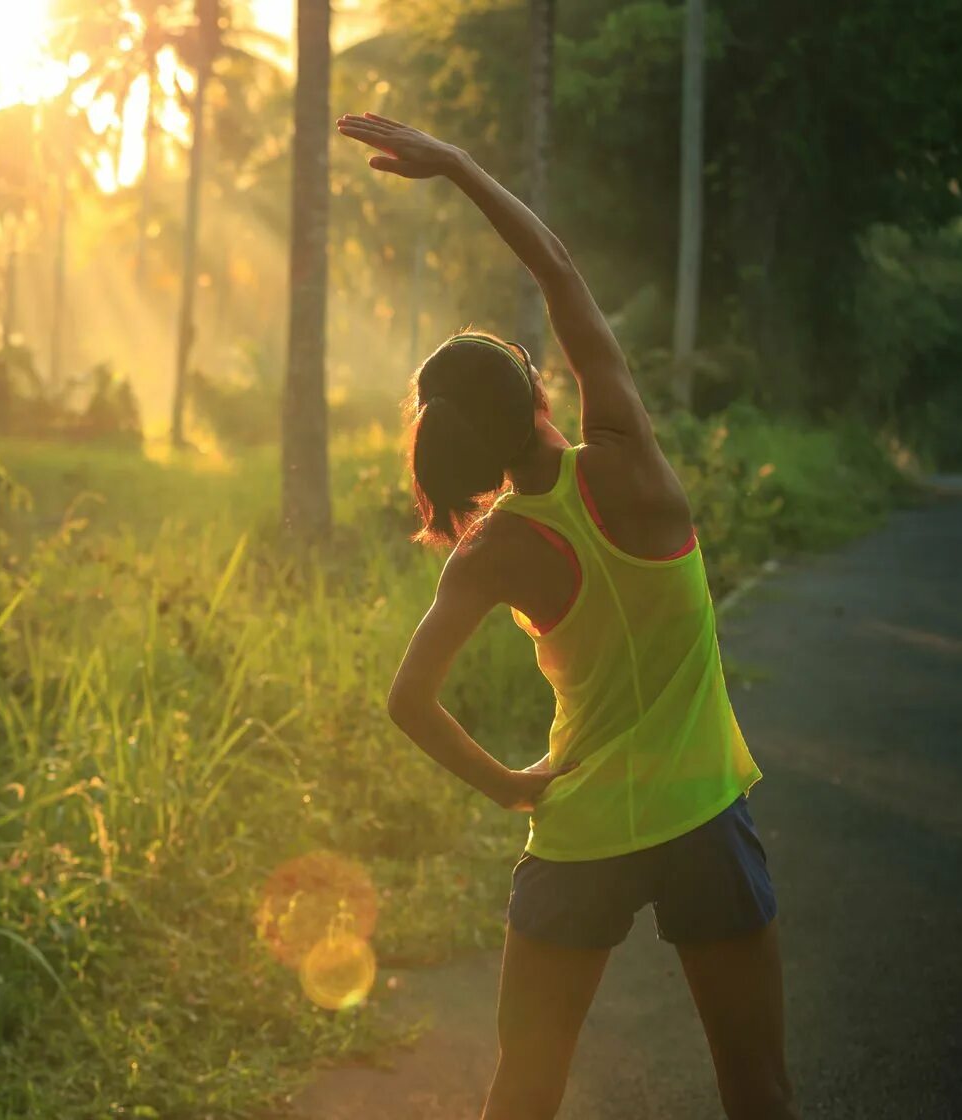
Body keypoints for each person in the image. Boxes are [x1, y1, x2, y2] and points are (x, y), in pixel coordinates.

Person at [336, 111, 796, 1120]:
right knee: (757, 1092)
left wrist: (511, 787)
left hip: (579, 832)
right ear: (540, 386)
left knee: (525, 1092)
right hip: (705, 817)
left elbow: (409, 701)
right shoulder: (627, 452)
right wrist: (458, 163)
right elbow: (558, 270)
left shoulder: (491, 552)